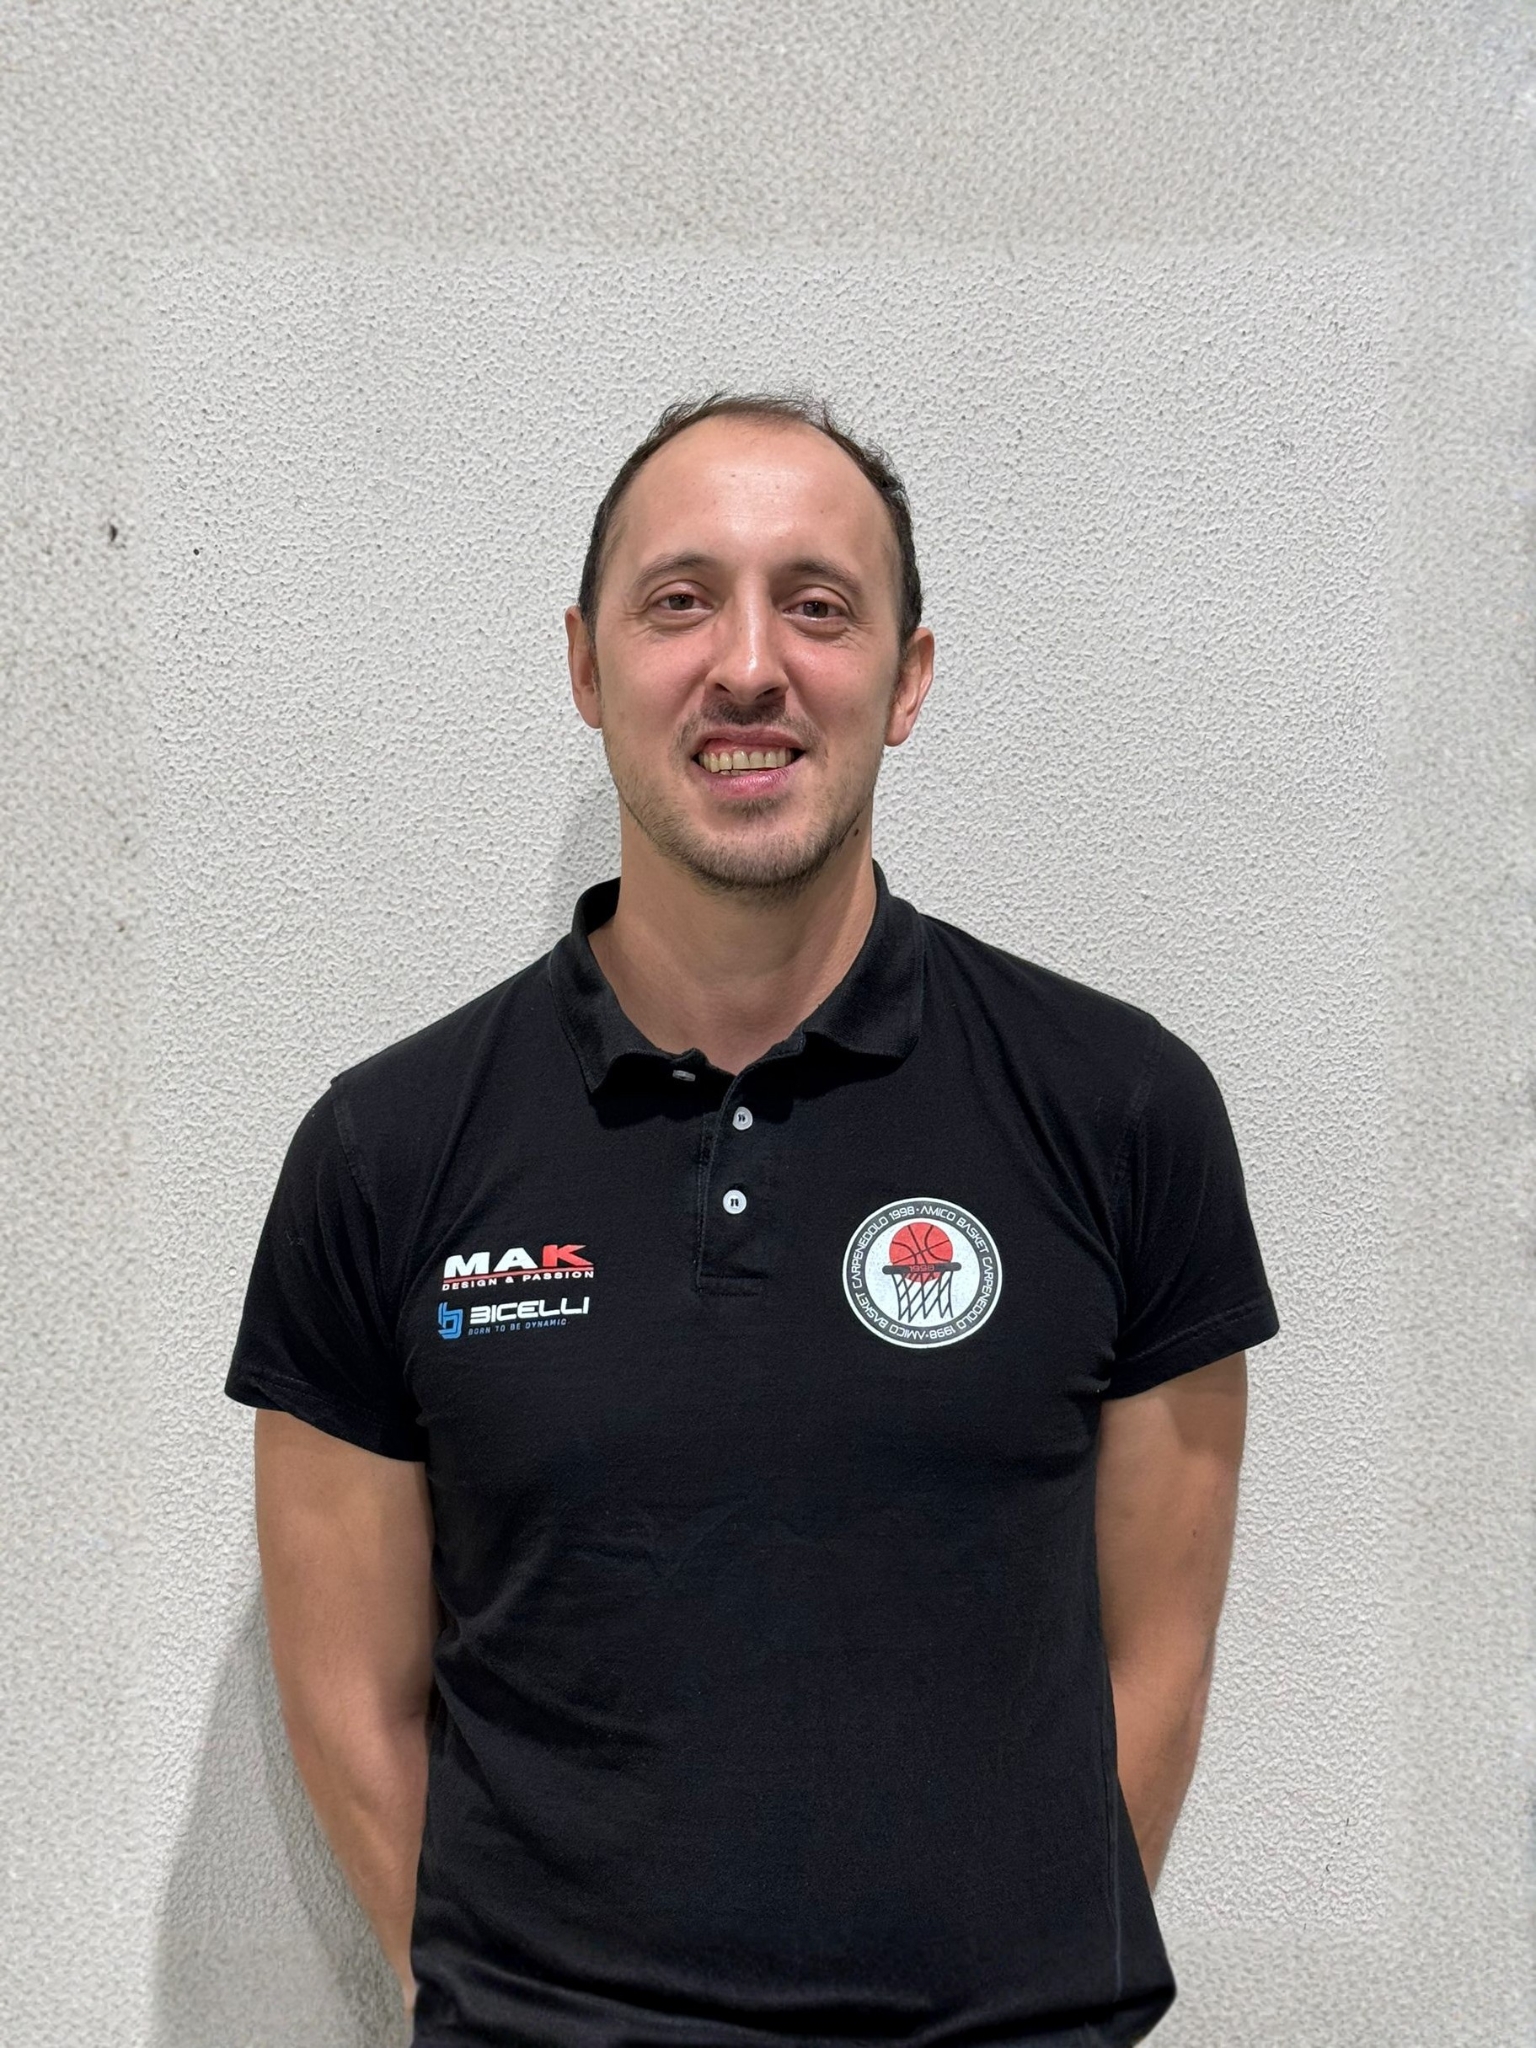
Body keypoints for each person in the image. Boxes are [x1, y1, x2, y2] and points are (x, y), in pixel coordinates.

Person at [225, 391, 1280, 2047]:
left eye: (818, 605)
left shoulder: (1123, 1110)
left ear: (907, 679)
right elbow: (353, 1711)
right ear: (586, 666)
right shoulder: (384, 1152)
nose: (747, 667)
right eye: (679, 600)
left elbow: (1157, 1663)